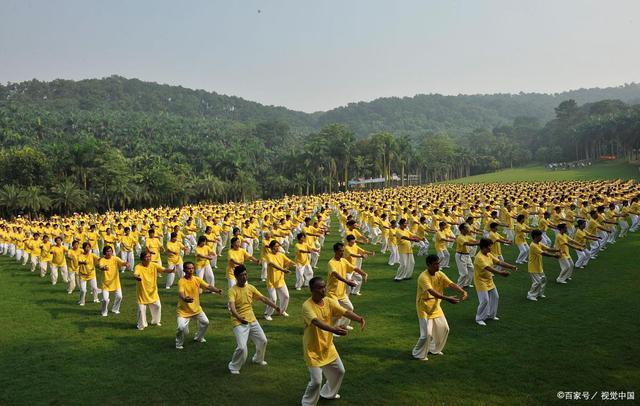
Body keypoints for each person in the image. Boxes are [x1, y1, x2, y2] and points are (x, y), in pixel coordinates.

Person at [301, 276, 366, 406]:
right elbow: (316, 322)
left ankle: (328, 393)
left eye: (324, 286)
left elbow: (344, 311)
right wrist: (334, 330)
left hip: (327, 346)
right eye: (319, 288)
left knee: (339, 371)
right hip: (312, 349)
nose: (323, 289)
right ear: (312, 290)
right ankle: (307, 403)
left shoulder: (329, 301)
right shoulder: (307, 306)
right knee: (316, 381)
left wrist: (359, 318)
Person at [412, 254, 467, 361]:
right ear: (428, 265)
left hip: (435, 306)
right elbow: (432, 292)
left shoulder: (440, 274)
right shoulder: (423, 277)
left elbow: (451, 284)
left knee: (444, 329)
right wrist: (447, 298)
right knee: (426, 334)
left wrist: (462, 291)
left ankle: (434, 349)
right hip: (424, 308)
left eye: (438, 263)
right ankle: (417, 354)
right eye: (435, 264)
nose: (438, 266)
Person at [227, 265, 281, 374]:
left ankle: (258, 359)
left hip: (252, 320)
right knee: (242, 348)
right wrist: (238, 317)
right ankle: (233, 366)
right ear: (236, 277)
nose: (244, 277)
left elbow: (263, 298)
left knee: (263, 341)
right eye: (241, 275)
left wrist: (276, 307)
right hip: (239, 322)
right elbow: (232, 307)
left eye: (245, 274)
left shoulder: (250, 287)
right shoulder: (232, 291)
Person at [175, 261, 223, 350]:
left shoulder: (197, 279)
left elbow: (208, 286)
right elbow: (181, 293)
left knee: (205, 322)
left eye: (192, 268)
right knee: (181, 328)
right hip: (183, 311)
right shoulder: (181, 281)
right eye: (189, 268)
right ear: (184, 270)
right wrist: (185, 298)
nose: (191, 270)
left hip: (196, 309)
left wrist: (217, 290)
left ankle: (199, 337)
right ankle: (178, 344)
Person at [473, 238, 517, 326]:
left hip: (489, 279)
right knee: (484, 300)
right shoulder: (479, 258)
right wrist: (500, 273)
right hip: (480, 281)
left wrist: (511, 266)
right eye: (489, 246)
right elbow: (488, 268)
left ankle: (491, 315)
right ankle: (479, 318)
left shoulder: (488, 254)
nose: (491, 248)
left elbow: (499, 262)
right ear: (484, 247)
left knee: (495, 296)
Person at [327, 242, 368, 331]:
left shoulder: (344, 261)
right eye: (340, 251)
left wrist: (364, 273)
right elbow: (335, 274)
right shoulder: (331, 262)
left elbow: (354, 268)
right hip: (332, 293)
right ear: (335, 251)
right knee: (337, 312)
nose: (342, 253)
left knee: (350, 308)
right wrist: (347, 281)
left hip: (342, 293)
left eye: (343, 251)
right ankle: (333, 329)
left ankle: (343, 325)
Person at [133, 249, 176, 330]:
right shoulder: (138, 266)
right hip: (142, 292)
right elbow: (135, 274)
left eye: (149, 256)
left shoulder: (154, 265)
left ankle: (156, 321)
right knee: (141, 310)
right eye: (146, 257)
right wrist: (137, 277)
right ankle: (141, 325)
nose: (148, 258)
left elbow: (163, 269)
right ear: (142, 258)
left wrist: (171, 271)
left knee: (157, 306)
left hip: (153, 291)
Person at [263, 240, 295, 320]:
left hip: (280, 280)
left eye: (278, 246)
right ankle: (267, 314)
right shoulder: (268, 255)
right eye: (275, 246)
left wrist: (292, 264)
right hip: (271, 282)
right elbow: (271, 264)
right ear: (271, 247)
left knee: (286, 296)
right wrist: (283, 270)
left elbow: (289, 261)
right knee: (273, 299)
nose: (277, 248)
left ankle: (281, 310)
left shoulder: (281, 255)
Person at [527, 230, 561, 301]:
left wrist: (557, 250)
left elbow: (548, 249)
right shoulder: (533, 245)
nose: (541, 237)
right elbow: (543, 253)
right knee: (537, 282)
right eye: (540, 236)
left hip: (539, 266)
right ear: (536, 237)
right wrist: (554, 255)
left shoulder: (539, 243)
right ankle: (530, 295)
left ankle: (539, 293)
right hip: (533, 267)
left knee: (543, 280)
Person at [98, 245, 128, 316]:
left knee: (120, 296)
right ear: (105, 252)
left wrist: (126, 264)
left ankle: (115, 309)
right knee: (105, 299)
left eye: (110, 251)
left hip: (115, 282)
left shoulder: (115, 258)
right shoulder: (102, 260)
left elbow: (122, 263)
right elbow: (100, 266)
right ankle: (104, 311)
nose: (109, 253)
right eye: (107, 251)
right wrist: (103, 268)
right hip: (106, 283)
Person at [454, 223, 480, 288]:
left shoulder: (467, 236)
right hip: (460, 255)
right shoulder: (459, 237)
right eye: (467, 228)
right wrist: (478, 243)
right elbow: (467, 243)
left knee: (471, 269)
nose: (468, 229)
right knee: (464, 273)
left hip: (467, 255)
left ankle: (466, 284)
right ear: (462, 229)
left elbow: (475, 241)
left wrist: (481, 242)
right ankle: (459, 286)